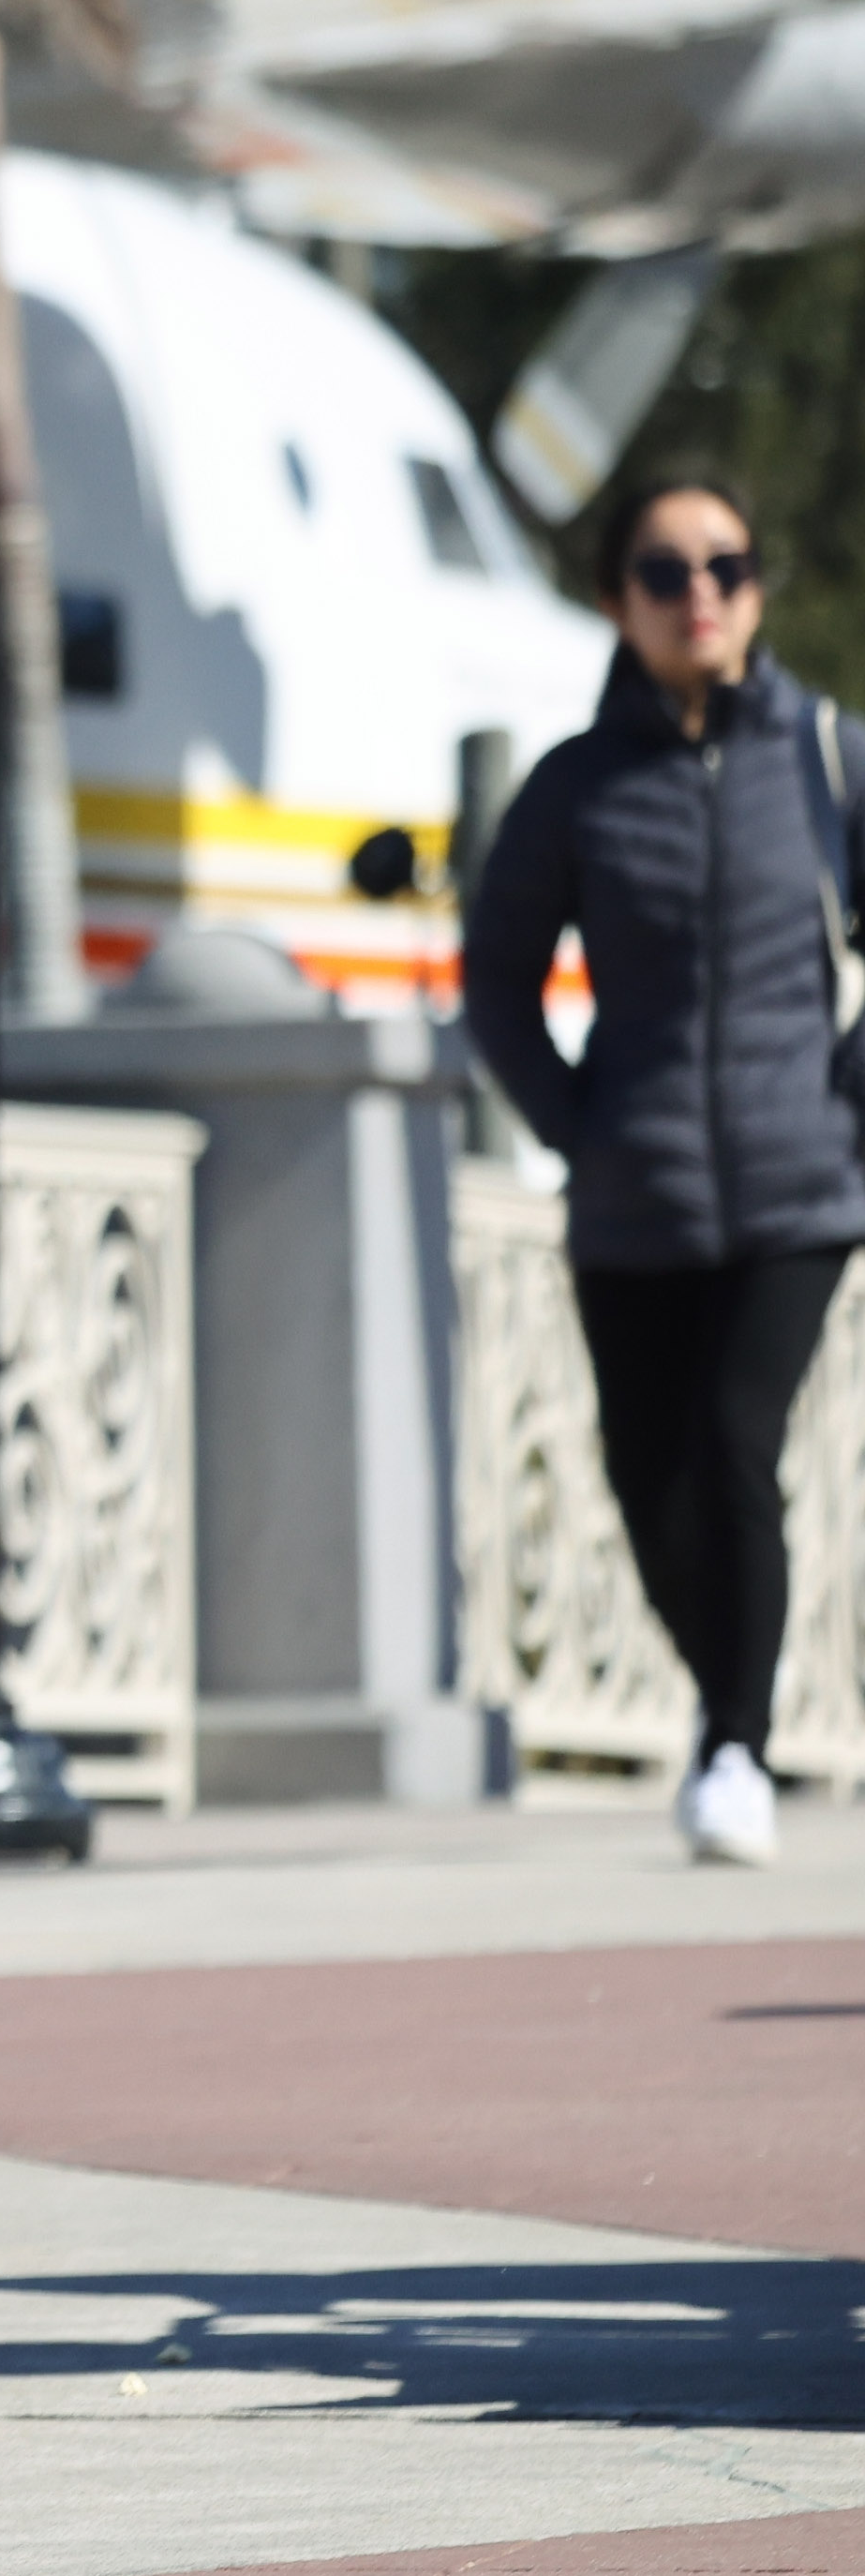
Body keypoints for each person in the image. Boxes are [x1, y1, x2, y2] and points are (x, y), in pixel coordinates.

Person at [458, 472, 865, 1870]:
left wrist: (848, 1111)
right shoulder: (580, 785)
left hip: (799, 1193)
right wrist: (582, 1125)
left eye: (727, 567)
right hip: (632, 1198)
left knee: (736, 1447)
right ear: (617, 597)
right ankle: (728, 1696)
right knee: (648, 1479)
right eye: (665, 570)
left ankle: (736, 1745)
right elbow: (496, 981)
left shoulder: (825, 756)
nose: (702, 594)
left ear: (758, 586)